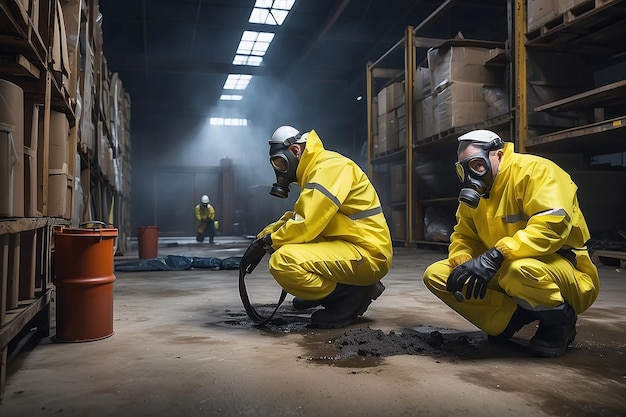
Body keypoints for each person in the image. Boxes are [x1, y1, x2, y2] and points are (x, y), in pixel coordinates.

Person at [423, 129, 600, 358]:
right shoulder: (478, 195)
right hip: (505, 266)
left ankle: (559, 321)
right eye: (463, 169)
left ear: (497, 155)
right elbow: (463, 236)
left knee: (518, 271)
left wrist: (496, 254)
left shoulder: (537, 172)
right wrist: (464, 262)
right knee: (438, 275)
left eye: (477, 165)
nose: (471, 174)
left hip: (563, 269)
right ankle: (509, 318)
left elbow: (551, 225)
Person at [240, 126, 393, 328]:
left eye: (280, 163)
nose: (279, 171)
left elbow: (306, 224)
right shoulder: (317, 169)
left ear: (295, 151)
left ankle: (351, 294)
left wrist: (271, 241)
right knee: (285, 242)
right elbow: (299, 216)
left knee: (284, 261)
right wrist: (264, 237)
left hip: (369, 254)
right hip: (351, 245)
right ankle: (327, 290)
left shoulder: (329, 168)